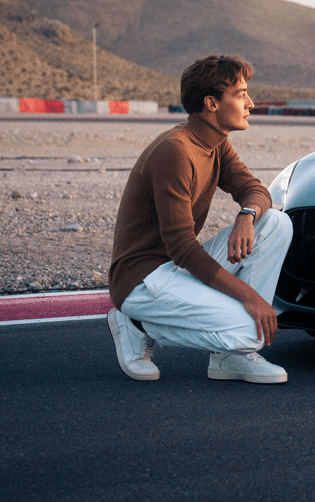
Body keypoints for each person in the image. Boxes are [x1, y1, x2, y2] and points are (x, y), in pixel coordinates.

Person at [107, 55, 294, 383]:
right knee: (254, 331)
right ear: (211, 103)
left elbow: (255, 190)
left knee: (277, 223)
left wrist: (246, 217)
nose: (250, 103)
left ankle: (229, 360)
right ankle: (134, 323)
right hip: (142, 279)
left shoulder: (216, 143)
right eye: (240, 94)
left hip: (175, 268)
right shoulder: (175, 151)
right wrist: (250, 298)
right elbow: (181, 246)